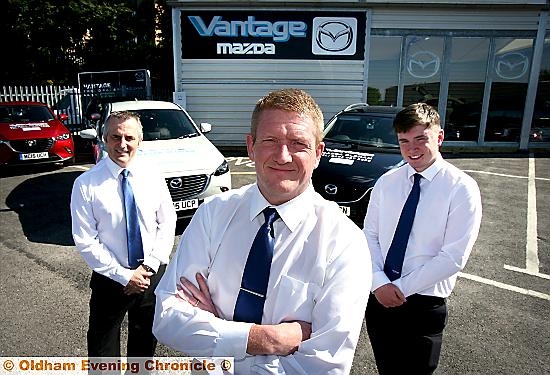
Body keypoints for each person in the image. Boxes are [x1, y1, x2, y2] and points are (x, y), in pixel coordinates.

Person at [153, 88, 372, 374]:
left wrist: (216, 330)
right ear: (250, 146)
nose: (283, 156)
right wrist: (266, 339)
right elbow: (167, 319)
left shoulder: (345, 242)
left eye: (298, 144)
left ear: (318, 153)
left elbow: (324, 365)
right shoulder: (213, 214)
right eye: (270, 140)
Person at [363, 103, 482, 374]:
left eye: (420, 139)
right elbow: (369, 234)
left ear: (439, 137)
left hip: (423, 306)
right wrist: (380, 283)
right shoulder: (387, 182)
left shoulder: (461, 188)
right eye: (404, 141)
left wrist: (401, 288)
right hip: (380, 300)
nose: (412, 148)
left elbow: (453, 257)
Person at [71, 111, 177, 358]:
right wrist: (124, 276)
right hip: (110, 278)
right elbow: (86, 239)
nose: (122, 144)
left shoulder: (153, 175)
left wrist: (149, 266)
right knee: (102, 346)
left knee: (144, 344)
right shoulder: (86, 184)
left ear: (139, 141)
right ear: (104, 139)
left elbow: (167, 221)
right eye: (115, 137)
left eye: (129, 137)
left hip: (150, 276)